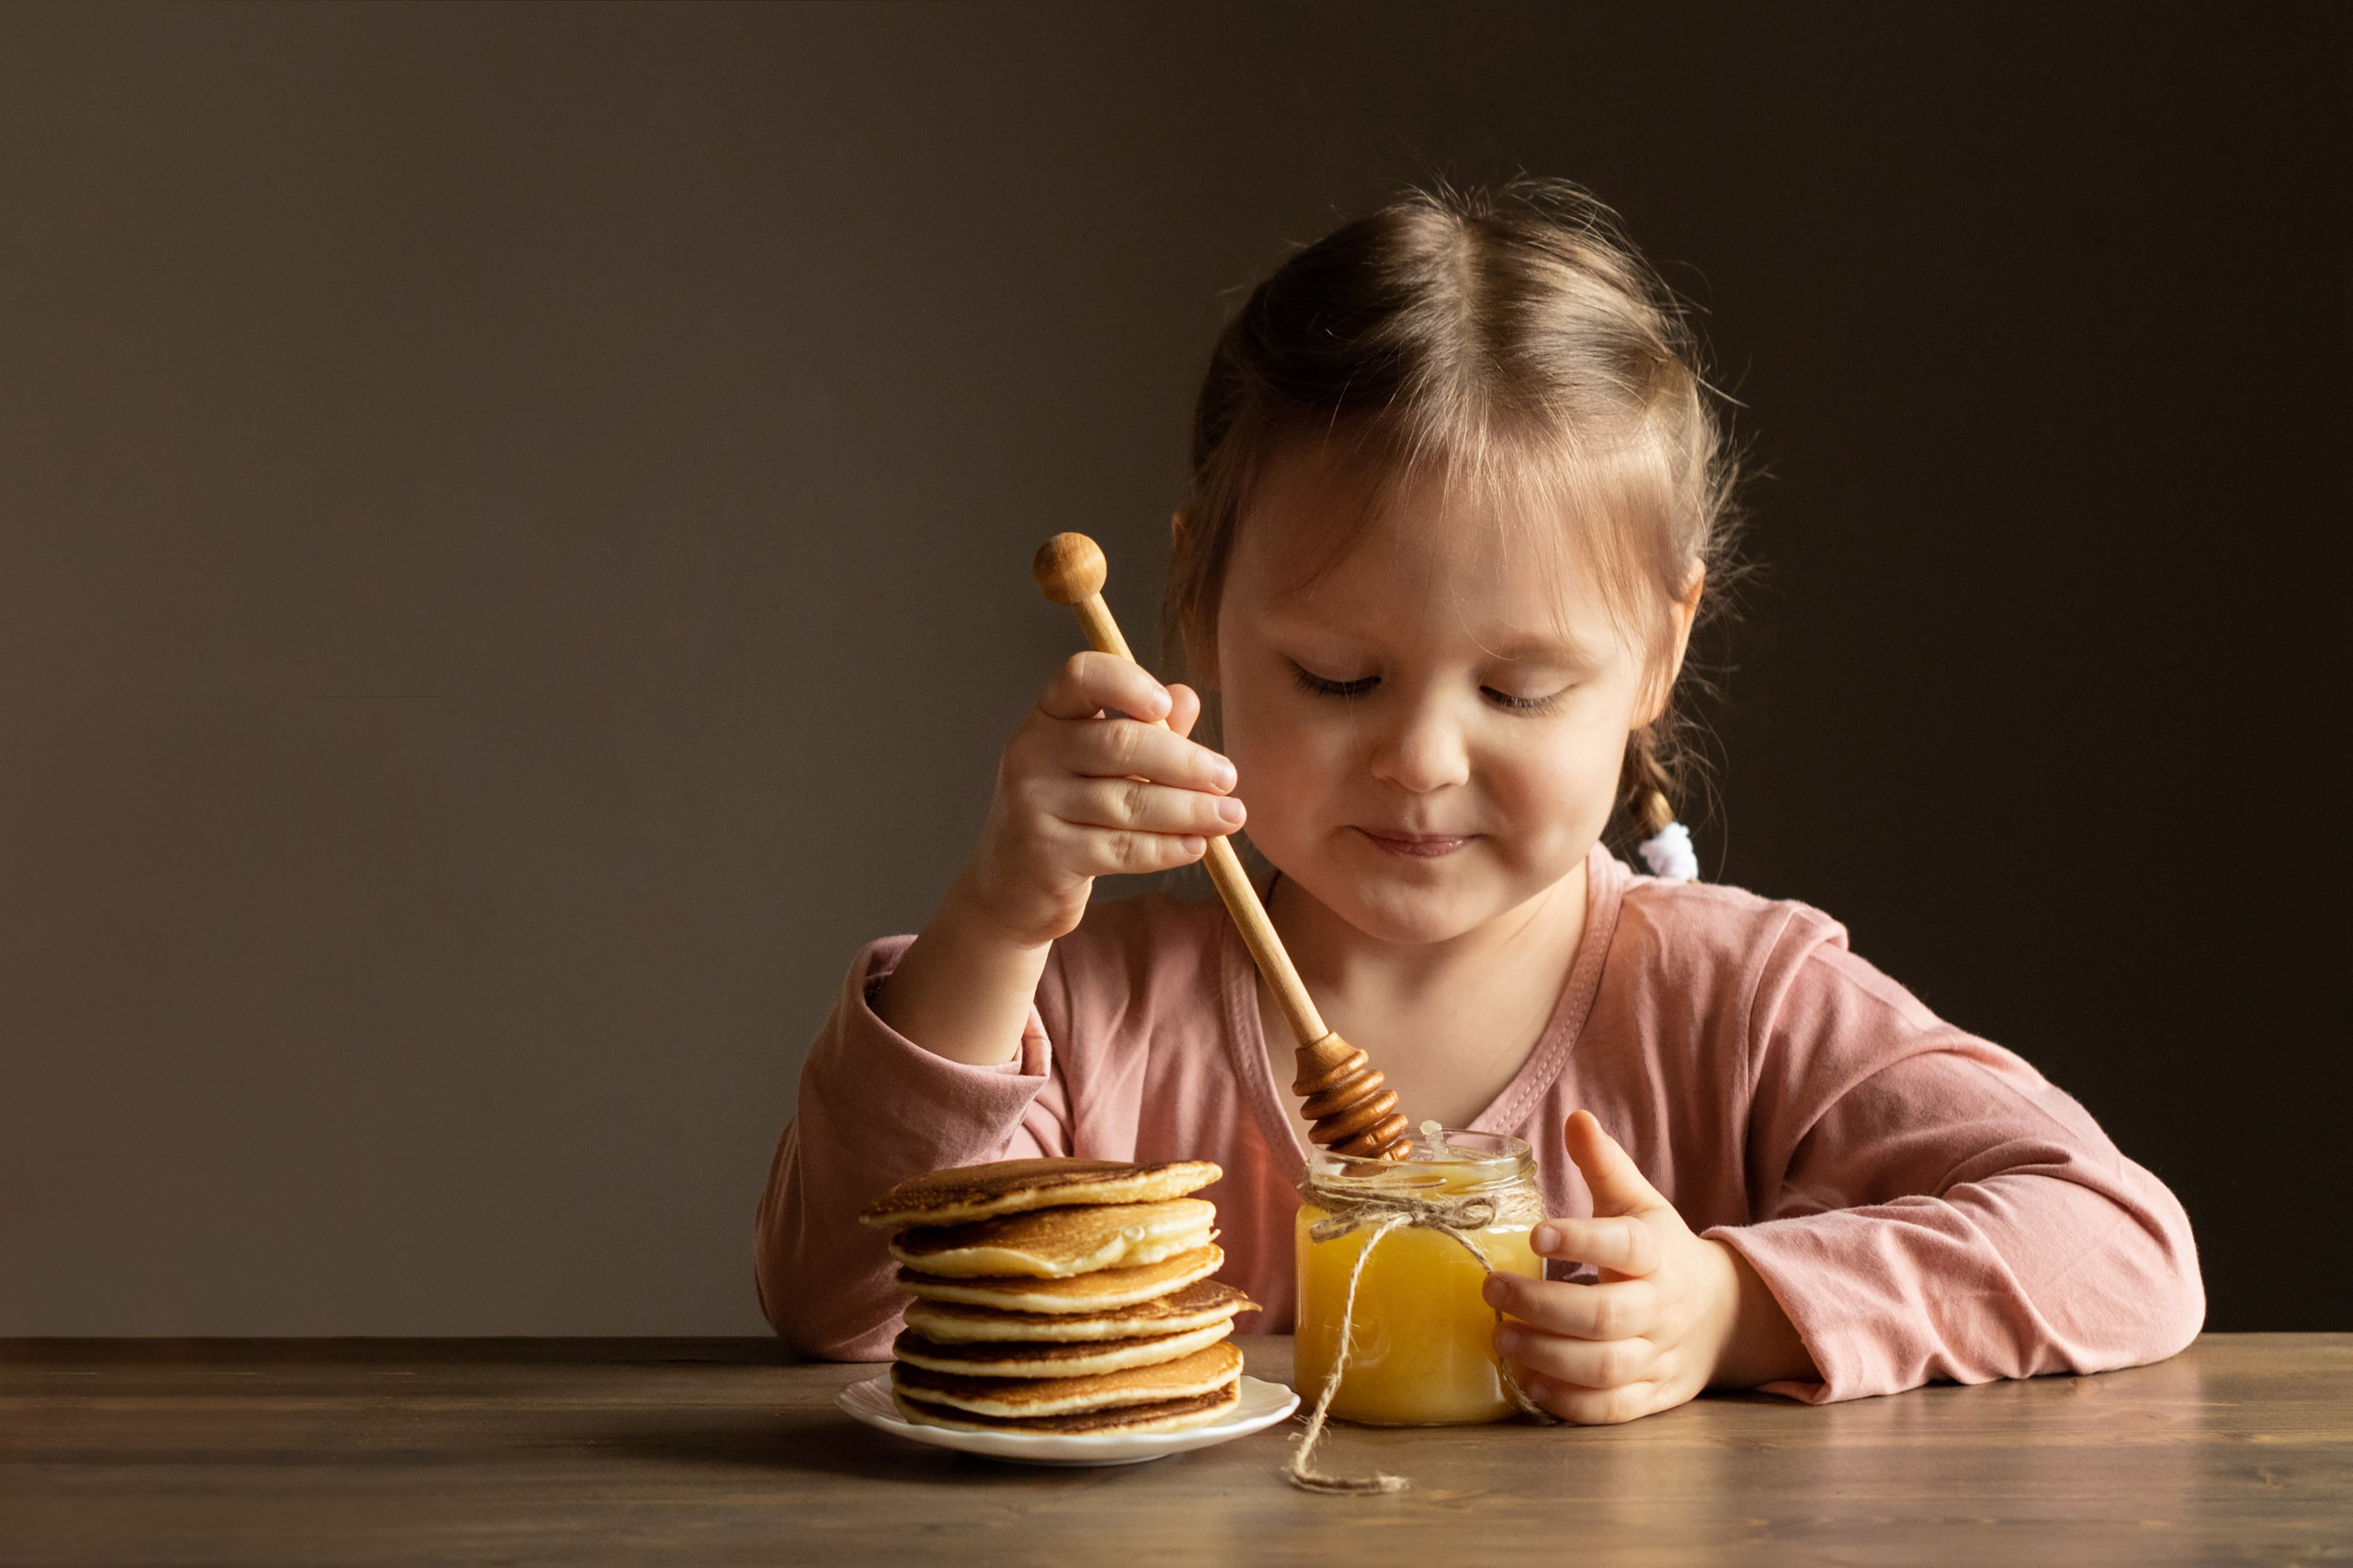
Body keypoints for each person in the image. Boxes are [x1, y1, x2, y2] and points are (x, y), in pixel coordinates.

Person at [756, 181, 2203, 1421]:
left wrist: (1733, 1306)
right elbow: (842, 1302)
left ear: (1659, 650)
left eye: (1516, 692)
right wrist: (1002, 915)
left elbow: (2121, 1239)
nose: (1424, 760)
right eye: (1336, 677)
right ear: (1193, 601)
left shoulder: (1737, 1005)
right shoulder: (1079, 1022)